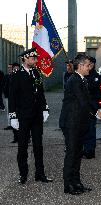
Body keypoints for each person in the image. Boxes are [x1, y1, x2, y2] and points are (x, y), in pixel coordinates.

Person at [59, 53, 101, 195]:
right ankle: (69, 185)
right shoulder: (74, 80)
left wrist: (96, 110)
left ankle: (77, 182)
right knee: (72, 154)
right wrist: (97, 112)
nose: (89, 68)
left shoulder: (82, 79)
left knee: (78, 154)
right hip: (72, 123)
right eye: (87, 65)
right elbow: (83, 101)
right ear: (80, 66)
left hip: (79, 123)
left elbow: (88, 99)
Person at [8, 48, 52, 184]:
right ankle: (23, 174)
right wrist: (13, 116)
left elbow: (40, 93)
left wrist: (45, 108)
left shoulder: (36, 73)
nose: (36, 60)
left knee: (38, 146)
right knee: (22, 147)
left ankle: (40, 173)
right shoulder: (17, 75)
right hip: (23, 116)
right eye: (33, 58)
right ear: (25, 59)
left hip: (37, 116)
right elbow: (12, 97)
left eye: (36, 58)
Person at [83, 57, 100, 159]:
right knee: (83, 128)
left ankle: (90, 150)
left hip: (92, 106)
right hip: (83, 107)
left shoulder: (96, 76)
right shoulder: (84, 75)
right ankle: (85, 149)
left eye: (91, 63)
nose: (90, 65)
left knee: (91, 129)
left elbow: (97, 92)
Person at [2, 64, 13, 130]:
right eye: (8, 67)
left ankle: (15, 124)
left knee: (14, 110)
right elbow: (3, 84)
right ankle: (9, 124)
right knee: (8, 110)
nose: (9, 69)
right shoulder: (6, 76)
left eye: (10, 67)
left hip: (14, 97)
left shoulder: (15, 76)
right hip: (7, 96)